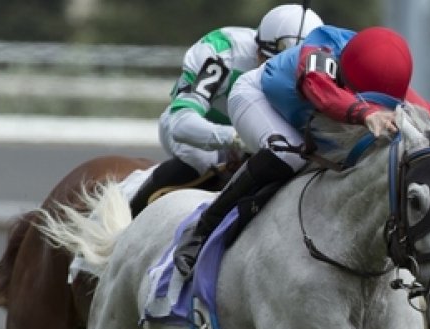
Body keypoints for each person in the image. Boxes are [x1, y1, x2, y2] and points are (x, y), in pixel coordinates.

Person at [172, 25, 430, 277]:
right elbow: (318, 89)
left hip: (316, 118)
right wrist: (366, 114)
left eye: (384, 102)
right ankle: (202, 230)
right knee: (288, 155)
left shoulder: (390, 81)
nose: (378, 106)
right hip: (261, 98)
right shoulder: (322, 52)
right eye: (368, 97)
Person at [128, 4, 324, 216]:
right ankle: (129, 213)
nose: (275, 78)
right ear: (258, 50)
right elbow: (181, 124)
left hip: (257, 141)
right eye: (270, 66)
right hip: (195, 135)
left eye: (288, 73)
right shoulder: (221, 51)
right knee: (204, 159)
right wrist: (238, 139)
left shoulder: (321, 67)